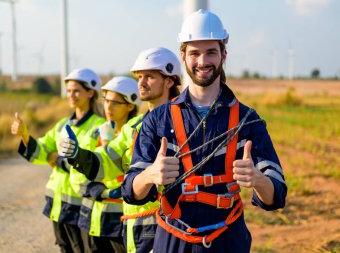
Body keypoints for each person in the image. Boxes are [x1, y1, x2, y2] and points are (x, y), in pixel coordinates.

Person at [122, 9, 287, 253]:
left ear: (223, 54)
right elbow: (130, 191)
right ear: (184, 56)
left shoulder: (248, 121)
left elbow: (277, 196)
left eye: (211, 52)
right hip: (172, 240)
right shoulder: (157, 119)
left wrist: (258, 180)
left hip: (227, 240)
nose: (202, 61)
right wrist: (150, 175)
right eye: (194, 53)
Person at [59, 47, 182, 253]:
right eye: (139, 76)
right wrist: (77, 154)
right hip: (135, 227)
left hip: (170, 227)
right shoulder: (133, 127)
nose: (141, 83)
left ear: (169, 81)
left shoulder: (186, 124)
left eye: (149, 77)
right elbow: (106, 162)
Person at [11, 68, 105, 253]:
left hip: (81, 205)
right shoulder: (63, 124)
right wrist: (25, 135)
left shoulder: (99, 126)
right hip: (59, 204)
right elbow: (42, 151)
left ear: (90, 93)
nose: (71, 95)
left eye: (76, 90)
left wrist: (58, 160)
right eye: (69, 90)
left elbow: (92, 164)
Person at [63, 76, 140, 253]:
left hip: (120, 221)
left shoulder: (136, 137)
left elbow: (128, 174)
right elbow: (76, 176)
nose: (108, 107)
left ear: (130, 105)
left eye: (115, 103)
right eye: (105, 101)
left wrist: (107, 144)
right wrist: (103, 192)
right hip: (91, 218)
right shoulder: (93, 134)